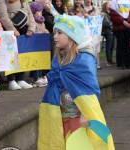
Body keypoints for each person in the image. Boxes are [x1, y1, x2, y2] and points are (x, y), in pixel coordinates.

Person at [38, 14, 115, 150]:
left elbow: (91, 89)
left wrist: (85, 114)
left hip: (78, 117)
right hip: (58, 114)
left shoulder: (84, 60)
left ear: (72, 36)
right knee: (59, 143)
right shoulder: (57, 58)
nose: (55, 36)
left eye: (60, 32)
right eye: (55, 32)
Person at [0, 0, 36, 90]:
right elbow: (3, 16)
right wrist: (12, 30)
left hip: (24, 29)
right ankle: (11, 80)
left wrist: (31, 29)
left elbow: (30, 14)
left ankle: (20, 78)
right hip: (10, 31)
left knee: (22, 54)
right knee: (10, 55)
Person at [110, 0, 130, 69]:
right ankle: (121, 64)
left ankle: (129, 63)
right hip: (119, 27)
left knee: (129, 45)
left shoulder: (127, 1)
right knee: (121, 45)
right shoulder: (114, 2)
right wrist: (123, 21)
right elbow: (113, 15)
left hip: (128, 26)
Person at [29, 1, 49, 87]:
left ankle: (41, 76)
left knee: (41, 62)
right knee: (35, 62)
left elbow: (43, 29)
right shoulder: (33, 21)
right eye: (38, 11)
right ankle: (36, 78)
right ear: (33, 12)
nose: (40, 13)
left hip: (41, 44)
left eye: (41, 11)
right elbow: (35, 30)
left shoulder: (42, 21)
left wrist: (46, 31)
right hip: (35, 44)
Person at [83, 0, 102, 70]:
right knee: (87, 48)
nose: (88, 0)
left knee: (96, 47)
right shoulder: (82, 8)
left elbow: (98, 17)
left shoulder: (95, 8)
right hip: (86, 32)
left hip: (94, 32)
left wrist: (101, 15)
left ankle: (97, 64)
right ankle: (88, 64)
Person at [102, 2, 116, 67]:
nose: (110, 6)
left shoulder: (111, 12)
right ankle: (108, 61)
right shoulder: (103, 12)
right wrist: (113, 24)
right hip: (107, 31)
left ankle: (111, 59)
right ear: (105, 6)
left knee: (112, 46)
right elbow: (105, 22)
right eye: (108, 5)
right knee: (108, 46)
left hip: (112, 30)